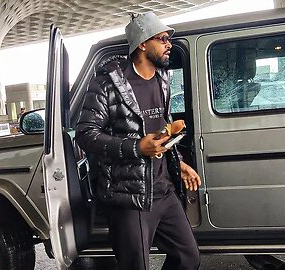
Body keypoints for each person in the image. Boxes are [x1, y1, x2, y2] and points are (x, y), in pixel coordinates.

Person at [75, 12, 201, 270]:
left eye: (168, 39)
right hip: (129, 197)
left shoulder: (162, 80)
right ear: (142, 43)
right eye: (162, 39)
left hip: (164, 189)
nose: (169, 44)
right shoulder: (107, 85)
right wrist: (136, 147)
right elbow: (86, 134)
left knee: (188, 258)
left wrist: (179, 162)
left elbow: (160, 133)